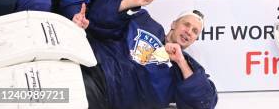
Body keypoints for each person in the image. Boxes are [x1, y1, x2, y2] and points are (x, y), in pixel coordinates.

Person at [80, 7, 217, 109]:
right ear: (174, 24)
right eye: (186, 24)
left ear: (194, 39)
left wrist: (181, 62)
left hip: (109, 97)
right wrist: (90, 25)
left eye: (195, 31)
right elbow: (109, 27)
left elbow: (206, 102)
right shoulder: (145, 23)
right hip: (95, 68)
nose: (189, 31)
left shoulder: (187, 68)